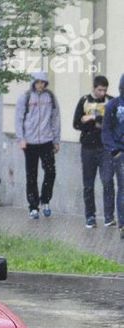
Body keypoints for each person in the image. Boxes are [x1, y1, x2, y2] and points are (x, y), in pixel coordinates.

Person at [14, 71, 61, 220]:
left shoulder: (51, 97)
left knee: (50, 172)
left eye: (43, 82)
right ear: (33, 83)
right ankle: (33, 206)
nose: (40, 85)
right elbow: (18, 118)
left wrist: (56, 140)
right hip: (30, 142)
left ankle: (45, 200)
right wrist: (21, 138)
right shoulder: (26, 97)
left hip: (47, 141)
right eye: (38, 82)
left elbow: (55, 118)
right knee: (31, 175)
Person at [73, 75, 114, 228]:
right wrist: (88, 121)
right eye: (99, 90)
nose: (102, 93)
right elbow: (76, 123)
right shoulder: (84, 100)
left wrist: (100, 121)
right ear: (94, 88)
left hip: (105, 148)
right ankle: (90, 216)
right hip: (88, 148)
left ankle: (109, 217)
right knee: (88, 184)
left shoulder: (111, 101)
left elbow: (114, 123)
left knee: (108, 182)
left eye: (104, 90)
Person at [102, 74, 124, 239]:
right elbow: (106, 130)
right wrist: (114, 150)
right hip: (120, 152)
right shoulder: (113, 105)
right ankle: (123, 224)